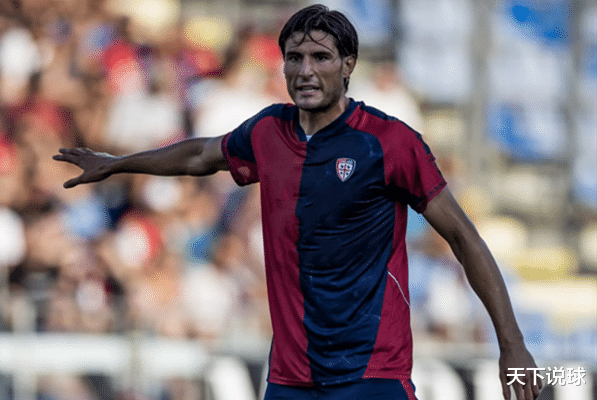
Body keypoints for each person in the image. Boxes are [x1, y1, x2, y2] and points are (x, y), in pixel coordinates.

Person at [54, 5, 542, 400]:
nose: (305, 70)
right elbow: (201, 154)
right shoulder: (268, 131)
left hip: (372, 376)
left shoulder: (389, 143)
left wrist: (512, 345)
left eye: (321, 57)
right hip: (291, 381)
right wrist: (117, 163)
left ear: (348, 65)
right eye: (294, 57)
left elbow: (464, 238)